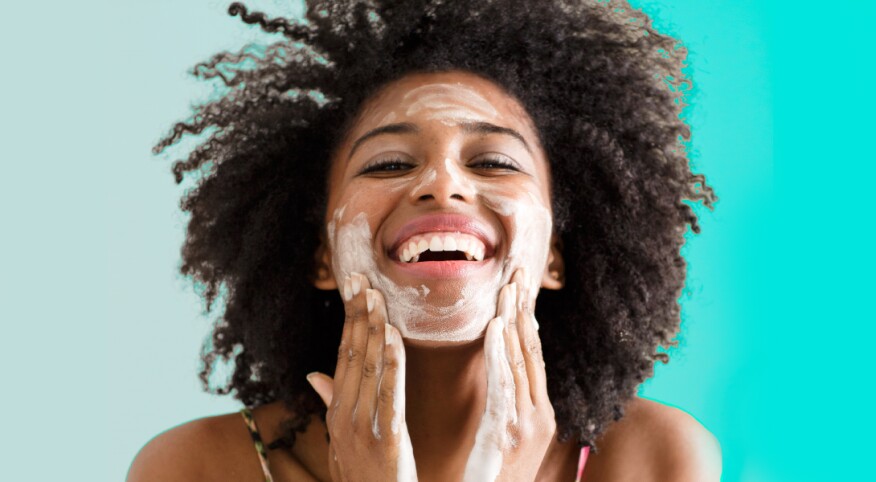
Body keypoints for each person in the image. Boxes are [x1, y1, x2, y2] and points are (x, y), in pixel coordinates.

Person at [127, 0, 721, 480]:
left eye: (492, 161)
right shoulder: (192, 467)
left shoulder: (655, 460)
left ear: (556, 259)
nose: (442, 184)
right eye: (387, 164)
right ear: (321, 257)